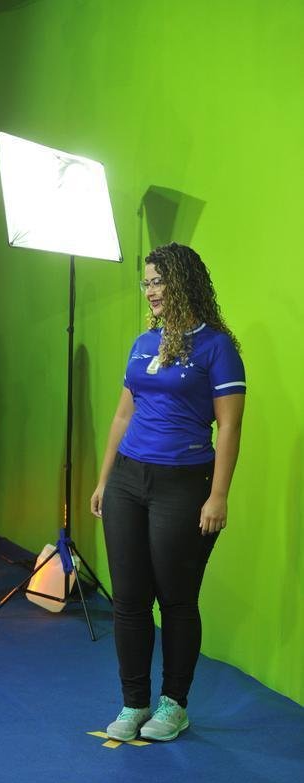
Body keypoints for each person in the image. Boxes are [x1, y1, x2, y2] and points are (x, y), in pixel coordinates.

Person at [91, 242, 245, 743]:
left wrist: (217, 495)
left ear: (184, 283)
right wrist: (103, 480)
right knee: (129, 600)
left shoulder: (217, 347)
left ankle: (174, 704)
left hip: (183, 483)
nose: (153, 290)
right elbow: (122, 414)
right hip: (129, 481)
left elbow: (229, 428)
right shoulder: (142, 342)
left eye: (161, 281)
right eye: (147, 281)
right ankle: (134, 702)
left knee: (176, 600)